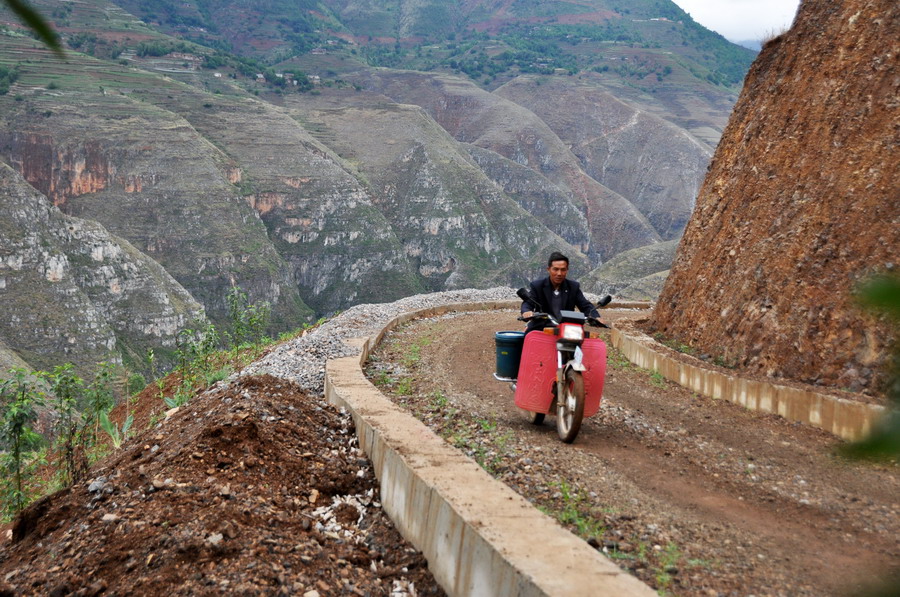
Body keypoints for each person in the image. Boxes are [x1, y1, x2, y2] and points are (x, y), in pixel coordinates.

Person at [521, 252, 603, 332]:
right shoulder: (537, 286)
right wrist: (527, 311)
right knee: (527, 340)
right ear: (548, 269)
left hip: (567, 329)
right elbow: (528, 302)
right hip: (541, 327)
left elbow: (585, 305)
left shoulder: (573, 287)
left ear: (567, 270)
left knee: (583, 343)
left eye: (563, 270)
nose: (559, 273)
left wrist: (595, 316)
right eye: (555, 269)